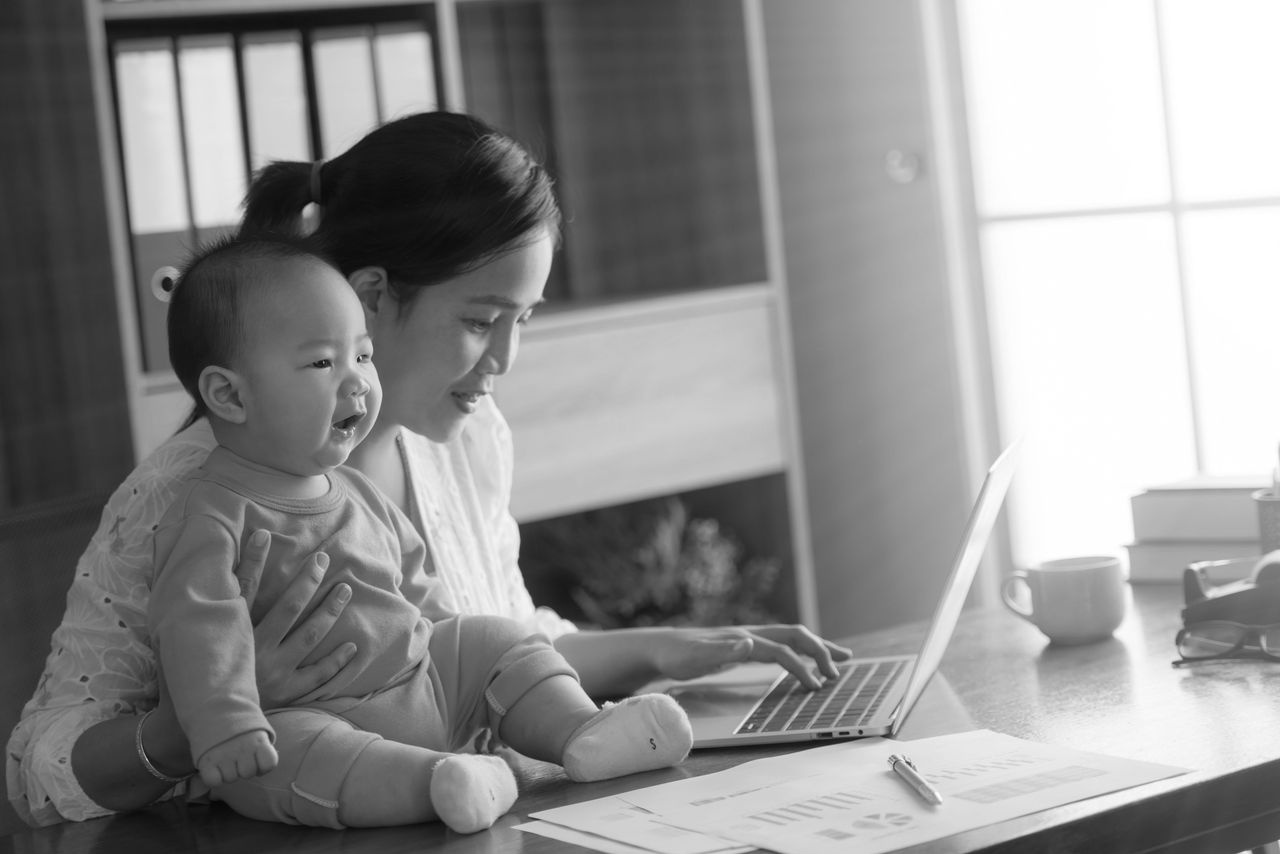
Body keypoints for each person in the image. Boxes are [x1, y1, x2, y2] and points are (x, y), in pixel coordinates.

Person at [7, 110, 851, 828]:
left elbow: (485, 632)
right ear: (371, 295)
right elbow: (36, 781)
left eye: (524, 319)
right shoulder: (181, 498)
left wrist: (669, 651)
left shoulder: (468, 439)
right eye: (483, 321)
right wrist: (212, 712)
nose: (506, 359)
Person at [145, 233, 689, 831]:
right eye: (324, 363)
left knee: (498, 639)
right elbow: (198, 629)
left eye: (363, 356)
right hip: (319, 718)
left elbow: (417, 584)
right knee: (283, 756)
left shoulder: (353, 489)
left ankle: (584, 735)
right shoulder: (211, 515)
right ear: (229, 394)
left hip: (421, 685)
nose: (356, 382)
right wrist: (229, 725)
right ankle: (439, 786)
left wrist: (452, 647)